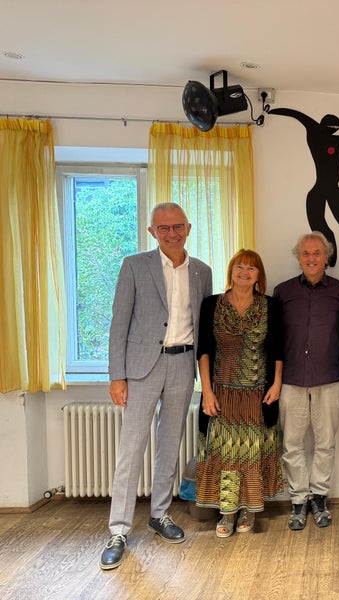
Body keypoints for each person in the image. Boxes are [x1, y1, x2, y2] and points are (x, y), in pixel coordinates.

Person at [100, 202, 213, 570]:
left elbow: (204, 326)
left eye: (177, 226)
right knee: (131, 449)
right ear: (152, 232)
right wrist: (117, 376)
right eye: (163, 228)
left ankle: (159, 515)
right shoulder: (134, 266)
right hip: (141, 369)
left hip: (183, 365)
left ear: (188, 228)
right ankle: (118, 529)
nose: (171, 233)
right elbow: (119, 323)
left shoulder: (202, 271)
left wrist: (206, 376)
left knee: (169, 445)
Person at [194, 249, 284, 538]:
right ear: (231, 271)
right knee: (226, 454)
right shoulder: (211, 305)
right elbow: (204, 350)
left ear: (259, 276)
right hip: (222, 393)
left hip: (258, 394)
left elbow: (278, 348)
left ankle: (249, 509)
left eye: (251, 268)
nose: (244, 272)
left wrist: (277, 384)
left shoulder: (270, 306)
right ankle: (227, 511)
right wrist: (207, 392)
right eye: (239, 267)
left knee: (251, 452)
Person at [273, 232, 339, 531]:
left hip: (328, 377)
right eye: (305, 253)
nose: (311, 258)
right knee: (291, 444)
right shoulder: (283, 292)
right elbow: (274, 336)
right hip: (291, 379)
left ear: (326, 257)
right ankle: (298, 500)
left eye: (317, 253)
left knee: (325, 443)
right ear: (298, 257)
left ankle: (319, 497)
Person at [268, 108, 339, 266]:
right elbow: (300, 116)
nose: (333, 128)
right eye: (332, 125)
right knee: (318, 222)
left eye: (335, 126)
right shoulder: (314, 133)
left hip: (332, 188)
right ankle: (331, 254)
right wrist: (273, 111)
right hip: (320, 187)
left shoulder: (336, 140)